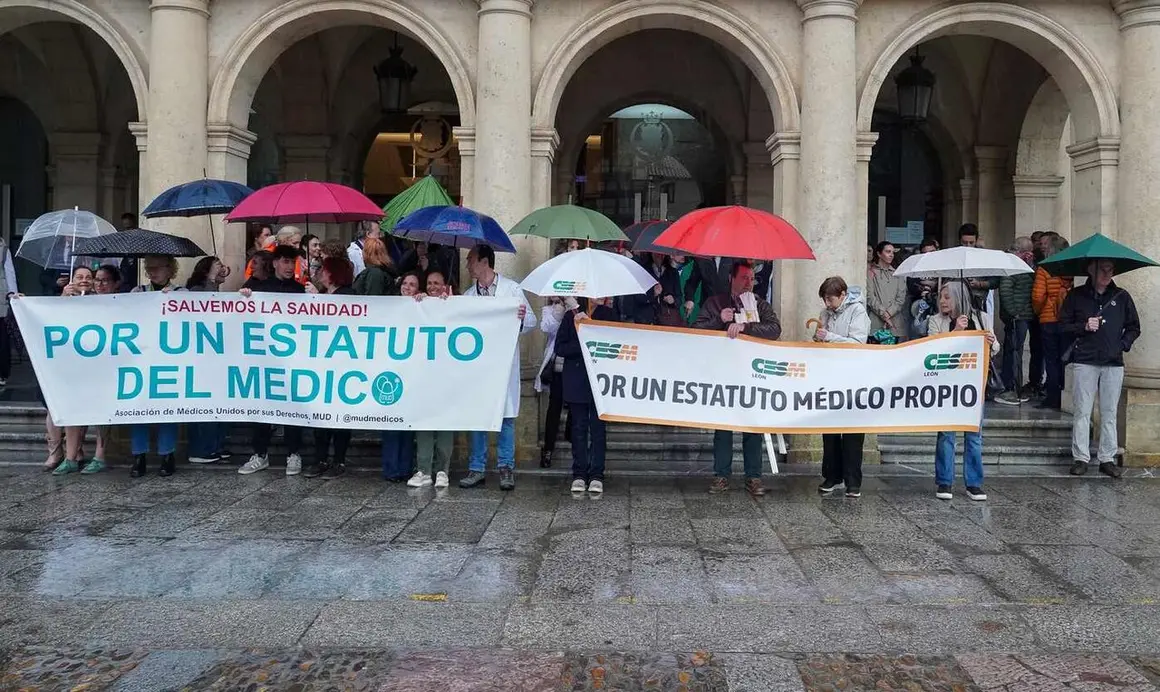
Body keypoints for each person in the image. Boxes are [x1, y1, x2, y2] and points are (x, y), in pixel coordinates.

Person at [694, 262, 780, 496]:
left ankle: (753, 476)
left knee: (752, 427)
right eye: (743, 278)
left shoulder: (760, 305)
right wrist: (718, 320)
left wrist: (747, 327)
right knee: (723, 428)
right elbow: (697, 332)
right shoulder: (715, 302)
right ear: (731, 278)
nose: (748, 283)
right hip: (723, 373)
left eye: (751, 278)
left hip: (751, 375)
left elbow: (774, 329)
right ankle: (721, 475)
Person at [459, 244, 536, 490]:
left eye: (470, 259)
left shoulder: (511, 290)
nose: (467, 264)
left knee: (505, 419)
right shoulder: (469, 296)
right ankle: (477, 468)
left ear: (484, 262)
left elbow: (533, 321)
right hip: (479, 369)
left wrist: (522, 316)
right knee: (478, 417)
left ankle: (505, 468)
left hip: (503, 367)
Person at [1060, 259, 1140, 478]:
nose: (1107, 274)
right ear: (1091, 270)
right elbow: (1062, 326)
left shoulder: (1122, 296)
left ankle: (1107, 458)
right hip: (1085, 359)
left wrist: (1122, 345)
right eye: (1102, 269)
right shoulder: (1076, 296)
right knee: (1082, 411)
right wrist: (1083, 326)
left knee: (1109, 412)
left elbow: (1134, 327)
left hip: (1113, 362)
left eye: (1110, 270)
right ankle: (1081, 457)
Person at [238, 245, 308, 476]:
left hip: (292, 359)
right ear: (276, 263)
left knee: (293, 407)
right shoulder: (260, 289)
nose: (290, 267)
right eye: (286, 262)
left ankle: (294, 454)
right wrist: (246, 297)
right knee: (263, 406)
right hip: (265, 359)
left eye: (293, 262)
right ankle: (260, 454)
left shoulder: (301, 291)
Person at [927, 281, 997, 501]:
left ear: (959, 297)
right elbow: (931, 351)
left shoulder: (981, 318)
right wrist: (955, 331)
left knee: (974, 436)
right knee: (946, 435)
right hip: (947, 387)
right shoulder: (936, 321)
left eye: (947, 297)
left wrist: (991, 342)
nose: (942, 301)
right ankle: (945, 481)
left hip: (974, 387)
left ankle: (974, 483)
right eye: (941, 297)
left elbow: (994, 350)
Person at [813, 276, 871, 497]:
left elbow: (858, 342)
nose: (827, 304)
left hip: (854, 377)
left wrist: (830, 336)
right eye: (825, 300)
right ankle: (831, 475)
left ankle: (852, 480)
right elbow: (825, 341)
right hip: (830, 376)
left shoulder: (857, 311)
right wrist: (820, 338)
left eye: (830, 299)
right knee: (830, 430)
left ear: (843, 295)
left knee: (853, 432)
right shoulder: (825, 314)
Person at [303, 257, 358, 480]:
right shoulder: (326, 296)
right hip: (322, 366)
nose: (320, 274)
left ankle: (339, 459)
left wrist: (318, 301)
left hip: (342, 366)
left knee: (340, 417)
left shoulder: (348, 295)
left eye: (323, 270)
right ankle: (321, 458)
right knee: (320, 417)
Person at [556, 296, 617, 494]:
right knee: (579, 429)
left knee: (598, 430)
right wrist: (581, 338)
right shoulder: (570, 317)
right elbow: (560, 348)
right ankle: (579, 473)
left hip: (601, 382)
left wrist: (593, 334)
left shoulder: (609, 316)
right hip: (576, 379)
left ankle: (597, 474)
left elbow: (616, 346)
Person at [129, 255, 183, 477]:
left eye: (157, 268)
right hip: (141, 358)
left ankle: (167, 455)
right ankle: (138, 456)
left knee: (167, 408)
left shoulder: (182, 293)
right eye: (149, 268)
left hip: (169, 360)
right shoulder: (137, 292)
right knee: (137, 409)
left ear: (170, 270)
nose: (152, 272)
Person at [182, 256, 233, 464]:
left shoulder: (214, 288)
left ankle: (215, 445)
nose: (223, 267)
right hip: (201, 357)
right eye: (217, 264)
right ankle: (201, 448)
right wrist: (212, 279)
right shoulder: (197, 291)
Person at [408, 270, 455, 489]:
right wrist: (418, 303)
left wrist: (451, 304)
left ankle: (442, 470)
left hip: (446, 376)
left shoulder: (452, 305)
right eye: (429, 283)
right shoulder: (421, 304)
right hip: (424, 375)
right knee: (424, 424)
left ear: (445, 286)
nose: (433, 287)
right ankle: (424, 470)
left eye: (437, 283)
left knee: (445, 424)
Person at [381, 271, 421, 482]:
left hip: (412, 372)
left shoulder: (421, 307)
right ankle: (390, 468)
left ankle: (404, 468)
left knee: (407, 424)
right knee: (391, 422)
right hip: (391, 370)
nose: (407, 287)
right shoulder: (389, 306)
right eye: (405, 282)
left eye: (412, 284)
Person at [1031, 234, 1073, 410]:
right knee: (1065, 358)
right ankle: (1065, 396)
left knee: (1051, 360)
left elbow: (1038, 296)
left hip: (1049, 319)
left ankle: (1052, 397)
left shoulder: (1045, 269)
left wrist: (1039, 312)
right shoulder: (1072, 269)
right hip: (1068, 319)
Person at [996, 237, 1036, 405]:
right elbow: (1005, 290)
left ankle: (1013, 388)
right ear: (1024, 252)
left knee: (1015, 351)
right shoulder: (1012, 265)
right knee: (1014, 353)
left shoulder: (1017, 265)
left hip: (1020, 316)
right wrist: (1014, 313)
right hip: (1018, 318)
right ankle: (1010, 389)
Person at [867, 241, 907, 342]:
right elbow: (870, 296)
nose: (891, 255)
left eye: (893, 252)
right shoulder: (871, 272)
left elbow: (901, 298)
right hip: (876, 322)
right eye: (888, 252)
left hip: (895, 323)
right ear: (879, 254)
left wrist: (889, 313)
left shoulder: (898, 274)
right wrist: (883, 314)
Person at [959, 224, 999, 311]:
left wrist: (979, 284)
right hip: (958, 301)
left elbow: (995, 281)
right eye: (964, 243)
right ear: (960, 241)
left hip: (978, 303)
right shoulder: (954, 256)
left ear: (976, 240)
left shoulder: (985, 258)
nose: (968, 246)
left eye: (971, 243)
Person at [0, 232, 17, 387]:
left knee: (2, 338)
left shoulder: (3, 249)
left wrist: (13, 295)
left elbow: (9, 273)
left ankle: (2, 373)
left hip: (1, 300)